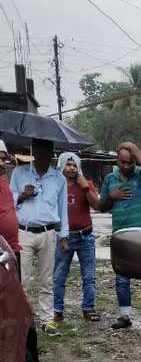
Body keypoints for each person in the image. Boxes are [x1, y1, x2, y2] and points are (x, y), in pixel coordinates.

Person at [10, 138, 69, 336]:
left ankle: (46, 320)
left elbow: (62, 209)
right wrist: (22, 195)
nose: (42, 155)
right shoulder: (19, 173)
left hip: (48, 232)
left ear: (51, 153)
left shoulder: (58, 179)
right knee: (23, 280)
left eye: (46, 151)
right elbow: (10, 201)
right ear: (34, 151)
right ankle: (24, 322)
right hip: (24, 232)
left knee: (47, 280)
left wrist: (64, 235)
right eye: (38, 150)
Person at [99, 140, 141, 331]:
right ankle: (125, 316)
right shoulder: (110, 179)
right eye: (122, 162)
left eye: (129, 162)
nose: (125, 166)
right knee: (121, 277)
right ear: (117, 161)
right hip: (120, 234)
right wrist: (112, 197)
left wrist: (133, 147)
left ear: (134, 161)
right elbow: (101, 206)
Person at [53, 152, 101, 323]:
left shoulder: (85, 184)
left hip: (85, 237)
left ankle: (88, 308)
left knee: (89, 276)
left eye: (75, 165)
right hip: (63, 238)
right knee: (59, 276)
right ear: (61, 165)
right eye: (68, 164)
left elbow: (97, 205)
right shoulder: (55, 185)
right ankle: (57, 310)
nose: (72, 168)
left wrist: (85, 187)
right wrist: (60, 235)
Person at [0, 140, 21, 275]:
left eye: (3, 159)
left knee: (13, 290)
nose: (2, 163)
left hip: (12, 247)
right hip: (1, 250)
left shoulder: (3, 178)